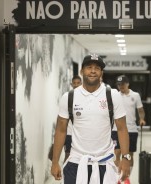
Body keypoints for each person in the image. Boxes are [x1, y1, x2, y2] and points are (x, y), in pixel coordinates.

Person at [51, 54, 131, 184]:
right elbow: (60, 130)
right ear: (82, 71)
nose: (93, 71)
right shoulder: (69, 97)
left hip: (104, 163)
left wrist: (126, 158)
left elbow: (122, 128)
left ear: (101, 73)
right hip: (76, 162)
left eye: (97, 68)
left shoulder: (113, 95)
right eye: (89, 67)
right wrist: (55, 162)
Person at [111, 75, 146, 184]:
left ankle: (126, 177)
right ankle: (117, 176)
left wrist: (141, 119)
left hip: (131, 129)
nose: (120, 86)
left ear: (127, 84)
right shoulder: (115, 95)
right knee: (117, 151)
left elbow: (140, 110)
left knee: (129, 154)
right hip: (116, 128)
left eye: (122, 84)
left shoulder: (135, 95)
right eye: (119, 84)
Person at [63, 75, 82, 163]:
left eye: (78, 83)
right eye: (74, 83)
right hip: (69, 133)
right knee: (68, 154)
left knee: (81, 157)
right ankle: (65, 175)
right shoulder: (67, 97)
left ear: (81, 84)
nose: (76, 85)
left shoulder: (85, 97)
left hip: (81, 134)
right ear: (71, 84)